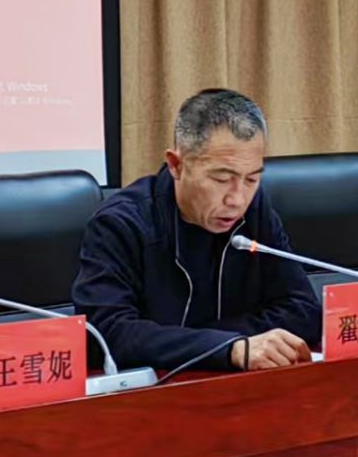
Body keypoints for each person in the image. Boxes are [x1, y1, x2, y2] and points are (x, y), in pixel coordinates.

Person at [73, 89, 319, 374]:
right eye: (221, 179)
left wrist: (216, 343)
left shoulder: (254, 210)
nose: (237, 199)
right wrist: (226, 347)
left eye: (252, 179)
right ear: (176, 165)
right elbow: (105, 334)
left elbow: (303, 310)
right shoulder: (121, 223)